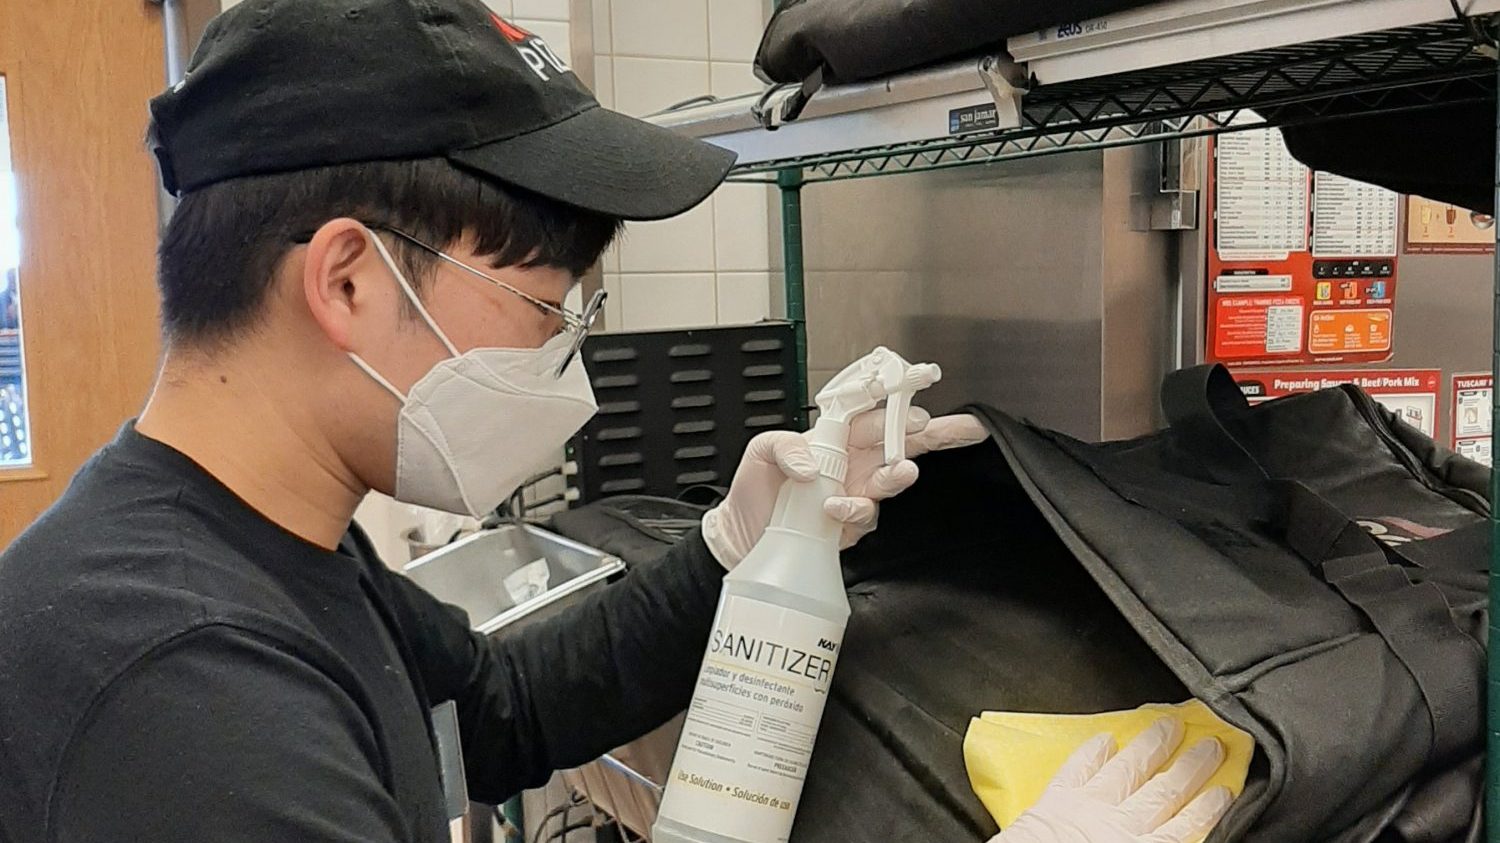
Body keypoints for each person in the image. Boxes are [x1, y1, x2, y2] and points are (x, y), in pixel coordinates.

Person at [0, 1, 1230, 841]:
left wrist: (733, 554)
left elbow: (499, 710)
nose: (565, 363)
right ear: (350, 280)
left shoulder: (271, 544)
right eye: (546, 309)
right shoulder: (182, 686)